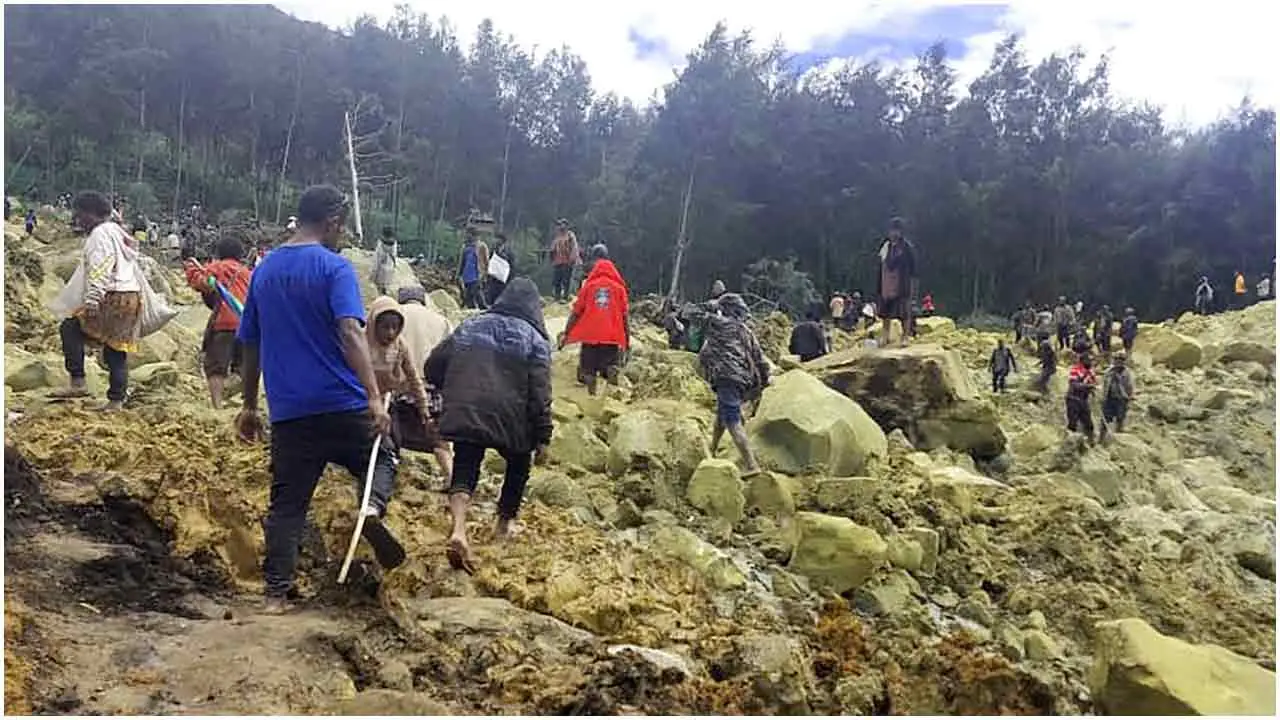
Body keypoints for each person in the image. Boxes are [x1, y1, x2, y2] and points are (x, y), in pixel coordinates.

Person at [234, 185, 405, 613]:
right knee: (383, 456)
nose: (342, 233)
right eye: (341, 225)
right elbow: (350, 332)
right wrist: (373, 396)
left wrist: (250, 406)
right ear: (331, 222)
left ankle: (275, 594)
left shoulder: (265, 271)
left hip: (291, 411)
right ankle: (370, 507)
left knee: (287, 504)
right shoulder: (335, 268)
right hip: (342, 403)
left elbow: (251, 344)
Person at [426, 277, 552, 573]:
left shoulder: (471, 325)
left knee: (466, 465)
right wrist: (543, 435)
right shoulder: (536, 339)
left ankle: (458, 529)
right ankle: (503, 526)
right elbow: (541, 391)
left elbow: (433, 365)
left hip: (468, 408)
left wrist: (452, 388)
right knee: (518, 466)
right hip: (512, 419)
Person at [49, 191, 143, 410]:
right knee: (116, 349)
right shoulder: (118, 232)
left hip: (111, 296)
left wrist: (92, 300)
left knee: (70, 328)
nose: (78, 220)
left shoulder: (99, 235)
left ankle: (78, 382)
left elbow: (101, 267)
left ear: (91, 214)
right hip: (130, 296)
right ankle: (116, 401)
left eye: (80, 215)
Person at [365, 294, 437, 498]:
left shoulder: (399, 346)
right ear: (373, 323)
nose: (390, 332)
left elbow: (414, 378)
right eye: (385, 326)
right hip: (359, 402)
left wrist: (424, 409)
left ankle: (383, 486)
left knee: (392, 441)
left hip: (387, 401)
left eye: (395, 327)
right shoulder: (360, 343)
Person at [699, 293, 769, 474]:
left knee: (732, 421)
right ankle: (712, 449)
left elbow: (703, 352)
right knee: (722, 415)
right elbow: (760, 359)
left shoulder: (715, 327)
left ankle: (751, 465)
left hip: (726, 377)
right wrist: (765, 380)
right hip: (743, 380)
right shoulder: (746, 331)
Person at [394, 286, 455, 484]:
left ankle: (388, 474)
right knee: (440, 443)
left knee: (388, 435)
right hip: (431, 388)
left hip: (399, 387)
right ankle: (452, 479)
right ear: (423, 300)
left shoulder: (394, 315)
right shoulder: (441, 321)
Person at [184, 236, 252, 409]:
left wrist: (191, 269)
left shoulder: (218, 267)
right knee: (242, 364)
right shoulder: (247, 273)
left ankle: (217, 405)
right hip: (246, 323)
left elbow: (200, 283)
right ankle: (240, 393)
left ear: (219, 253)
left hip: (224, 322)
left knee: (216, 366)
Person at [560, 244, 630, 396]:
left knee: (587, 370)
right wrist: (627, 341)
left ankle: (591, 395)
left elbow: (576, 312)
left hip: (590, 335)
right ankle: (610, 399)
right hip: (611, 337)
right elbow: (625, 317)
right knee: (610, 366)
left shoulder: (589, 286)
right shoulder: (619, 288)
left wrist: (566, 332)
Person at [876, 217, 918, 347]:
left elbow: (913, 268)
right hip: (886, 284)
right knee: (885, 313)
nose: (894, 233)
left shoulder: (907, 248)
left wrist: (913, 285)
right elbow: (880, 265)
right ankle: (885, 336)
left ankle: (905, 337)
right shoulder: (885, 247)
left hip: (902, 283)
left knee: (904, 312)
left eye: (896, 231)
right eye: (892, 231)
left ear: (901, 232)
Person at [1066, 353, 1098, 443]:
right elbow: (1073, 384)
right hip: (1073, 399)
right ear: (1082, 361)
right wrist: (1087, 386)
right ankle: (1069, 443)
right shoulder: (1075, 370)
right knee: (1072, 423)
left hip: (1084, 400)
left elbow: (1093, 384)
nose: (1091, 362)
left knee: (1088, 423)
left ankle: (1090, 443)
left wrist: (1092, 389)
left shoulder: (1091, 372)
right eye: (1089, 360)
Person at [1101, 351, 1134, 434]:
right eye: (1116, 360)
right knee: (1105, 419)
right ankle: (1102, 437)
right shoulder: (1109, 371)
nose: (1118, 362)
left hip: (1121, 398)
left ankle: (1119, 434)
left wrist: (1129, 397)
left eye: (1121, 360)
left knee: (1120, 417)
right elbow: (1105, 384)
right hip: (1109, 398)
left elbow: (1130, 386)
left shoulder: (1127, 373)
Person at [458, 227, 490, 309]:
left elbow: (486, 261)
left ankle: (484, 308)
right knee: (468, 295)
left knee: (477, 293)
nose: (467, 236)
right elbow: (462, 261)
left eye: (468, 234)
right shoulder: (465, 246)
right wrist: (458, 274)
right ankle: (471, 309)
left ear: (473, 235)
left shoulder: (481, 246)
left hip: (476, 275)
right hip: (467, 275)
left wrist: (485, 274)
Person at [549, 219, 579, 302]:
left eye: (562, 224)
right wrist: (552, 257)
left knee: (566, 280)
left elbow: (574, 247)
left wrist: (572, 259)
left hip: (567, 262)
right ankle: (557, 297)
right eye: (559, 225)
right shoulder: (557, 237)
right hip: (557, 262)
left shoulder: (570, 235)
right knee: (556, 280)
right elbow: (553, 248)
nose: (560, 226)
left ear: (566, 225)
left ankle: (565, 296)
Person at [485, 232, 515, 306]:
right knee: (491, 298)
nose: (496, 241)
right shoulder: (493, 251)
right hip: (493, 280)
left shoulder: (509, 253)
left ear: (503, 241)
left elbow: (512, 267)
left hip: (504, 281)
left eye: (498, 239)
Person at [372, 226, 397, 296]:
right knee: (386, 287)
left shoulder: (380, 244)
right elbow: (394, 255)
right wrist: (395, 265)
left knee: (379, 288)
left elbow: (377, 259)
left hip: (381, 267)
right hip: (390, 266)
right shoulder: (394, 243)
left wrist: (373, 275)